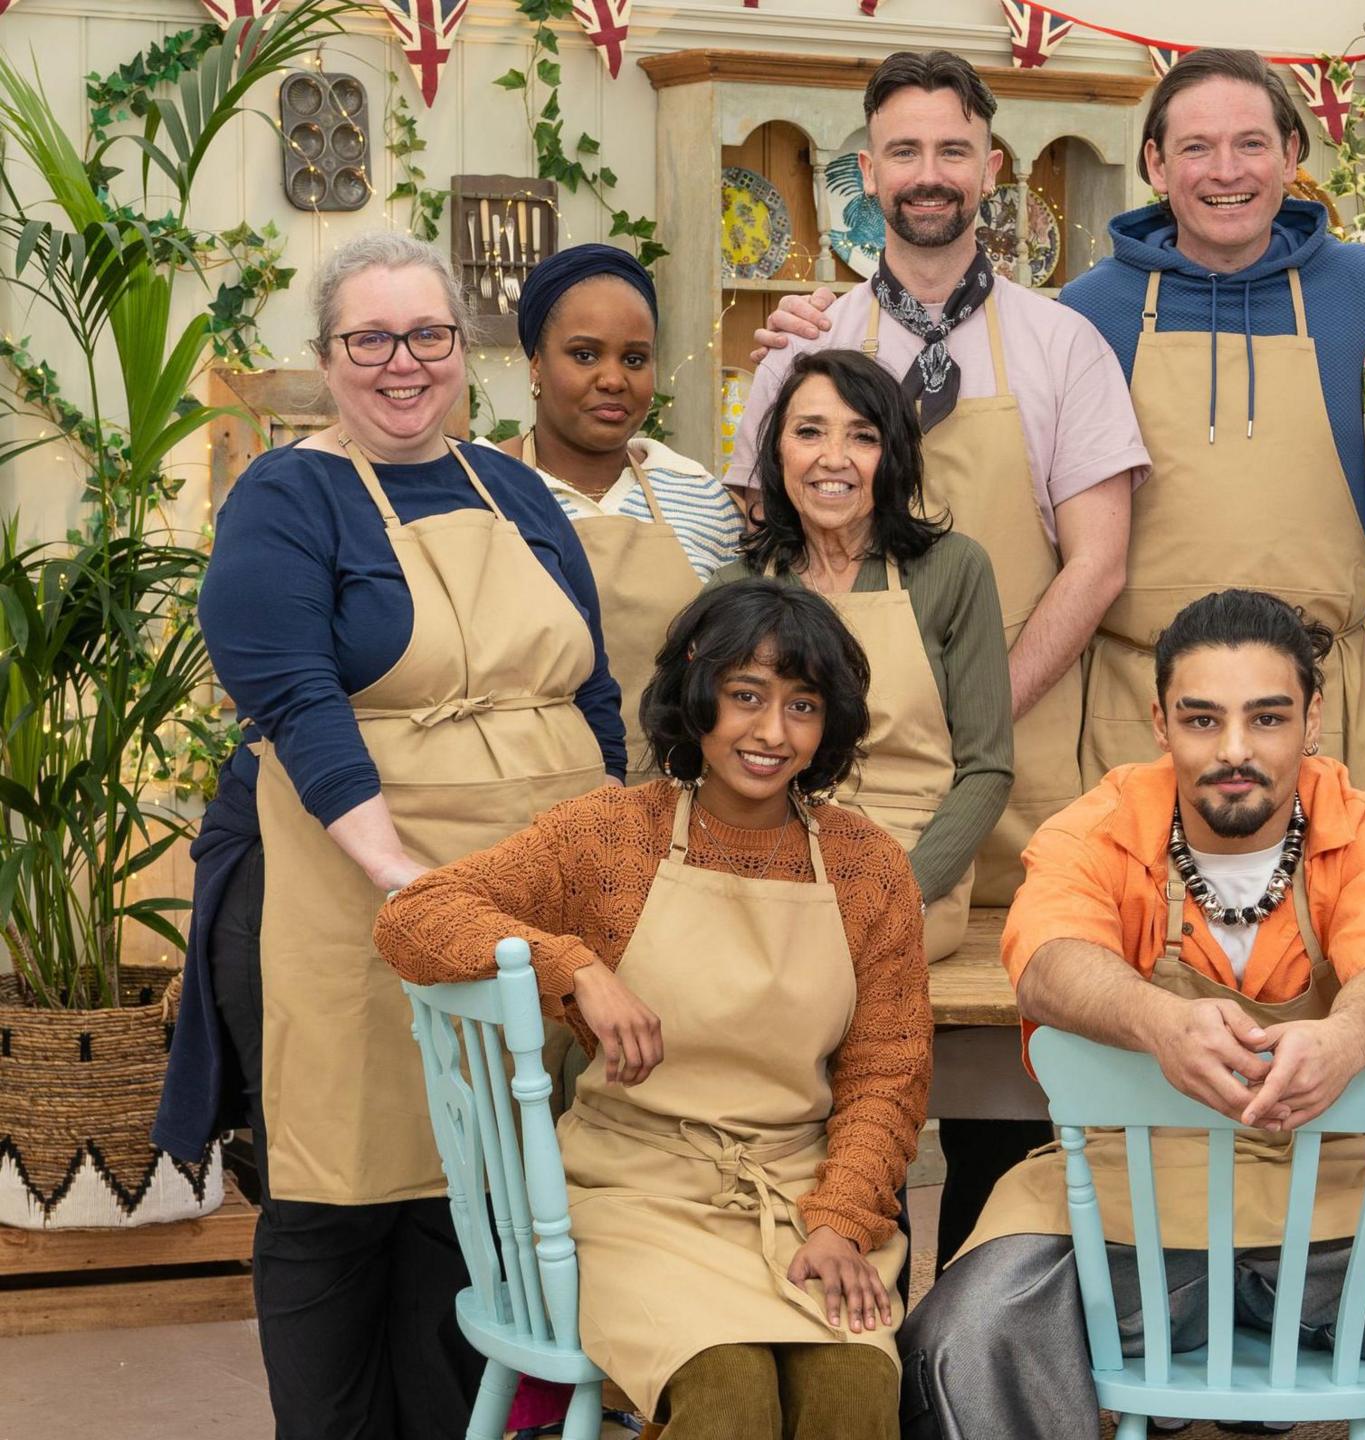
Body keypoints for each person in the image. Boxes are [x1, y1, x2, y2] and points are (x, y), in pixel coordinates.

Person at [150, 231, 622, 1440]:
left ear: (466, 353)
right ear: (327, 358)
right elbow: (294, 697)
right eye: (370, 339)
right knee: (341, 1197)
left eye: (428, 336)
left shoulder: (511, 489)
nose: (401, 365)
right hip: (356, 890)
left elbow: (598, 694)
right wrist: (403, 880)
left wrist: (622, 864)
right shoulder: (286, 498)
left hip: (527, 904)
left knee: (474, 1205)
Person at [900, 589, 1365, 1440]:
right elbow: (1047, 963)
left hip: (1342, 1200)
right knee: (963, 1337)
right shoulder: (1098, 827)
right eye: (1202, 721)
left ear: (1313, 721)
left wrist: (1345, 1038)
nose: (1234, 750)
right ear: (1160, 725)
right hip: (1128, 1201)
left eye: (1266, 719)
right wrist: (1159, 1024)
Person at [374, 580, 928, 1440]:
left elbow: (886, 1077)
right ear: (697, 695)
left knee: (854, 1397)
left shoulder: (867, 866)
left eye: (803, 706)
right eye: (746, 696)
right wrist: (571, 964)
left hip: (797, 1198)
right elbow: (414, 916)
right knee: (730, 1393)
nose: (772, 733)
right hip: (632, 1199)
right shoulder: (611, 838)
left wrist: (842, 1221)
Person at [740, 49, 1148, 906]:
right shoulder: (804, 350)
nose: (930, 177)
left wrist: (979, 715)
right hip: (836, 762)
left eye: (954, 152)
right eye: (904, 152)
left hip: (1024, 751)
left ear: (992, 169)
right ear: (867, 171)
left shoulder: (1065, 345)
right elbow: (760, 559)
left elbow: (1098, 564)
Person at [1059, 48, 1365, 787]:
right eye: (1197, 147)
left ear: (1289, 154)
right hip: (1142, 712)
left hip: (1318, 714)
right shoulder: (1088, 313)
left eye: (1251, 143)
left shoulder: (1362, 293)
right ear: (1156, 165)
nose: (1227, 171)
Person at [714, 349, 1010, 963]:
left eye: (863, 436)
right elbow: (702, 757)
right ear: (777, 454)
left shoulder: (954, 570)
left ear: (893, 455)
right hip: (764, 867)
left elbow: (988, 769)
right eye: (809, 432)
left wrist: (905, 889)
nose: (833, 458)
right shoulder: (734, 587)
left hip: (911, 865)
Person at [488, 242, 742, 753]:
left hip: (675, 797)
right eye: (584, 355)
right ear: (536, 364)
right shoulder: (480, 486)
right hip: (525, 794)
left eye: (634, 359)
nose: (612, 379)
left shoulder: (697, 494)